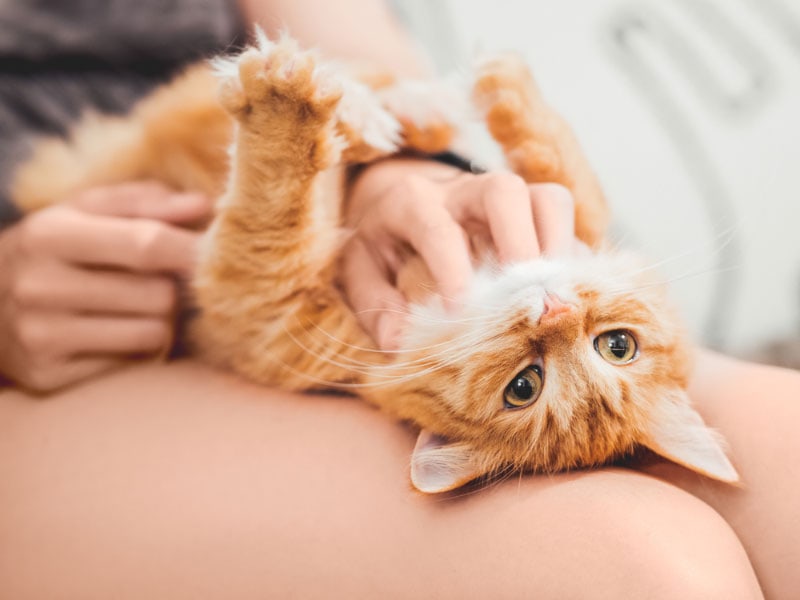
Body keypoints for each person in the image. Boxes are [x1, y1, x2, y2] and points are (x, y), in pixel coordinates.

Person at [0, 0, 798, 597]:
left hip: (314, 158)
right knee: (636, 568)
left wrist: (399, 170)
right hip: (57, 355)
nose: (555, 317)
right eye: (610, 346)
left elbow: (344, 39)